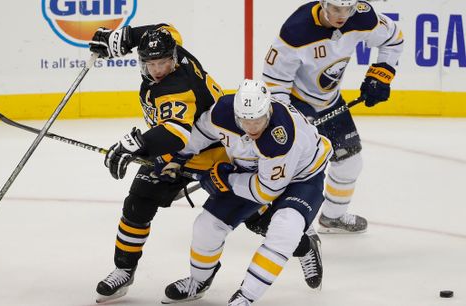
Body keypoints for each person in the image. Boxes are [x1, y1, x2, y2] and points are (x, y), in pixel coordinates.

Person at [88, 23, 228, 303]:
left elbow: (176, 133)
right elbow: (165, 28)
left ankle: (301, 243)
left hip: (216, 152)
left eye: (163, 63)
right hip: (174, 152)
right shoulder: (175, 46)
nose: (157, 70)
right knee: (138, 202)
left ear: (173, 58)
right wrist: (124, 37)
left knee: (248, 213)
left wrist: (137, 144)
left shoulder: (176, 86)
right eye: (150, 63)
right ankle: (124, 270)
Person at [161, 79, 333, 305]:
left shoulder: (279, 137)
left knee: (285, 228)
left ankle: (246, 297)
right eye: (245, 121)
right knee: (207, 225)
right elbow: (201, 133)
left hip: (304, 175)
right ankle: (199, 281)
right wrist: (176, 158)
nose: (252, 128)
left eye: (258, 120)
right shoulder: (223, 111)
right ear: (236, 114)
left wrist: (226, 179)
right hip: (257, 172)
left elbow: (266, 191)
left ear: (268, 109)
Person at [261, 0, 404, 233]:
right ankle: (291, 226)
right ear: (323, 3)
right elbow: (275, 83)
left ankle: (333, 217)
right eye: (336, 9)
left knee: (350, 162)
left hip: (330, 102)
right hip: (296, 105)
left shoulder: (362, 16)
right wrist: (291, 120)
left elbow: (394, 38)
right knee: (296, 170)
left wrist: (381, 75)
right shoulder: (296, 31)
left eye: (347, 9)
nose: (342, 15)